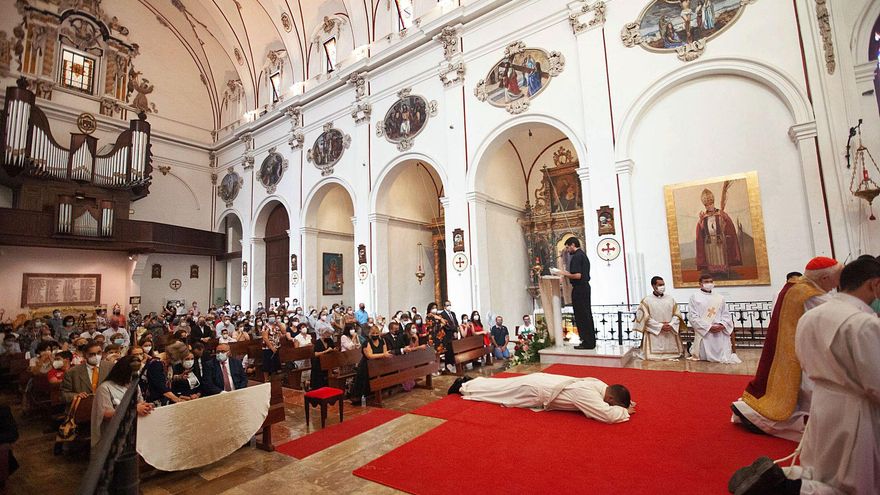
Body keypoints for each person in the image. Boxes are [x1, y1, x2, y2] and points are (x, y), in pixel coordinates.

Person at [728, 258, 880, 495]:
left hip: (822, 405)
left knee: (820, 469)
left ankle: (788, 482)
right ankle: (786, 487)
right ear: (874, 284)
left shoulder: (812, 314)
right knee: (852, 482)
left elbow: (803, 359)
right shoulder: (863, 323)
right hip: (855, 412)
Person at [731, 257, 841, 441]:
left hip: (793, 347)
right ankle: (759, 418)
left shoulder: (795, 287)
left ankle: (751, 413)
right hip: (804, 352)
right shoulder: (812, 295)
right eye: (836, 278)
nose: (836, 284)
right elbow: (839, 317)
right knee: (804, 396)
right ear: (823, 278)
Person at [450, 373, 633, 424]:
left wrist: (622, 403)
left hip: (540, 383)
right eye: (612, 403)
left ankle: (471, 382)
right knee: (498, 393)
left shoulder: (600, 384)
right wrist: (623, 410)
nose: (610, 404)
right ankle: (462, 386)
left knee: (500, 388)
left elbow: (608, 403)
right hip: (534, 390)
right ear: (609, 397)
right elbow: (606, 415)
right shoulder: (588, 393)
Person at [91, 355, 152, 448]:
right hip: (113, 434)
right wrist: (134, 409)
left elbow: (140, 402)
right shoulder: (105, 388)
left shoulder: (134, 384)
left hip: (133, 431)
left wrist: (146, 407)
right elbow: (106, 414)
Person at [687, 274, 740, 364]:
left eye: (711, 281)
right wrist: (709, 327)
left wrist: (722, 325)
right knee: (704, 355)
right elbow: (693, 316)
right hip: (705, 331)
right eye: (706, 282)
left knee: (724, 356)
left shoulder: (719, 297)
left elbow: (726, 314)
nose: (709, 283)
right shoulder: (695, 297)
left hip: (720, 331)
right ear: (700, 284)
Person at [557, 237, 596, 350]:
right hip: (584, 288)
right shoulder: (582, 255)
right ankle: (589, 341)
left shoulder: (577, 256)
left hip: (580, 288)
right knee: (586, 314)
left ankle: (587, 342)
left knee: (582, 315)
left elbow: (578, 275)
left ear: (573, 244)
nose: (567, 250)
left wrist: (564, 273)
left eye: (568, 247)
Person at [633, 276, 684, 361]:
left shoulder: (670, 299)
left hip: (669, 329)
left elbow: (677, 314)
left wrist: (671, 324)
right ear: (653, 286)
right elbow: (645, 319)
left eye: (663, 284)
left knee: (675, 355)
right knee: (652, 356)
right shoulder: (646, 301)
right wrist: (660, 326)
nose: (662, 287)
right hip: (654, 332)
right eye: (660, 285)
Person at [261, 313, 282, 381]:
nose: (272, 318)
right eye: (270, 316)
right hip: (267, 348)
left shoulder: (276, 326)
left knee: (274, 364)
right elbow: (265, 338)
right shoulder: (265, 326)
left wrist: (279, 324)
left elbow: (282, 333)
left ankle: (274, 379)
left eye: (273, 316)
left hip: (277, 347)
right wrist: (271, 347)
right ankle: (266, 379)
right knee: (267, 364)